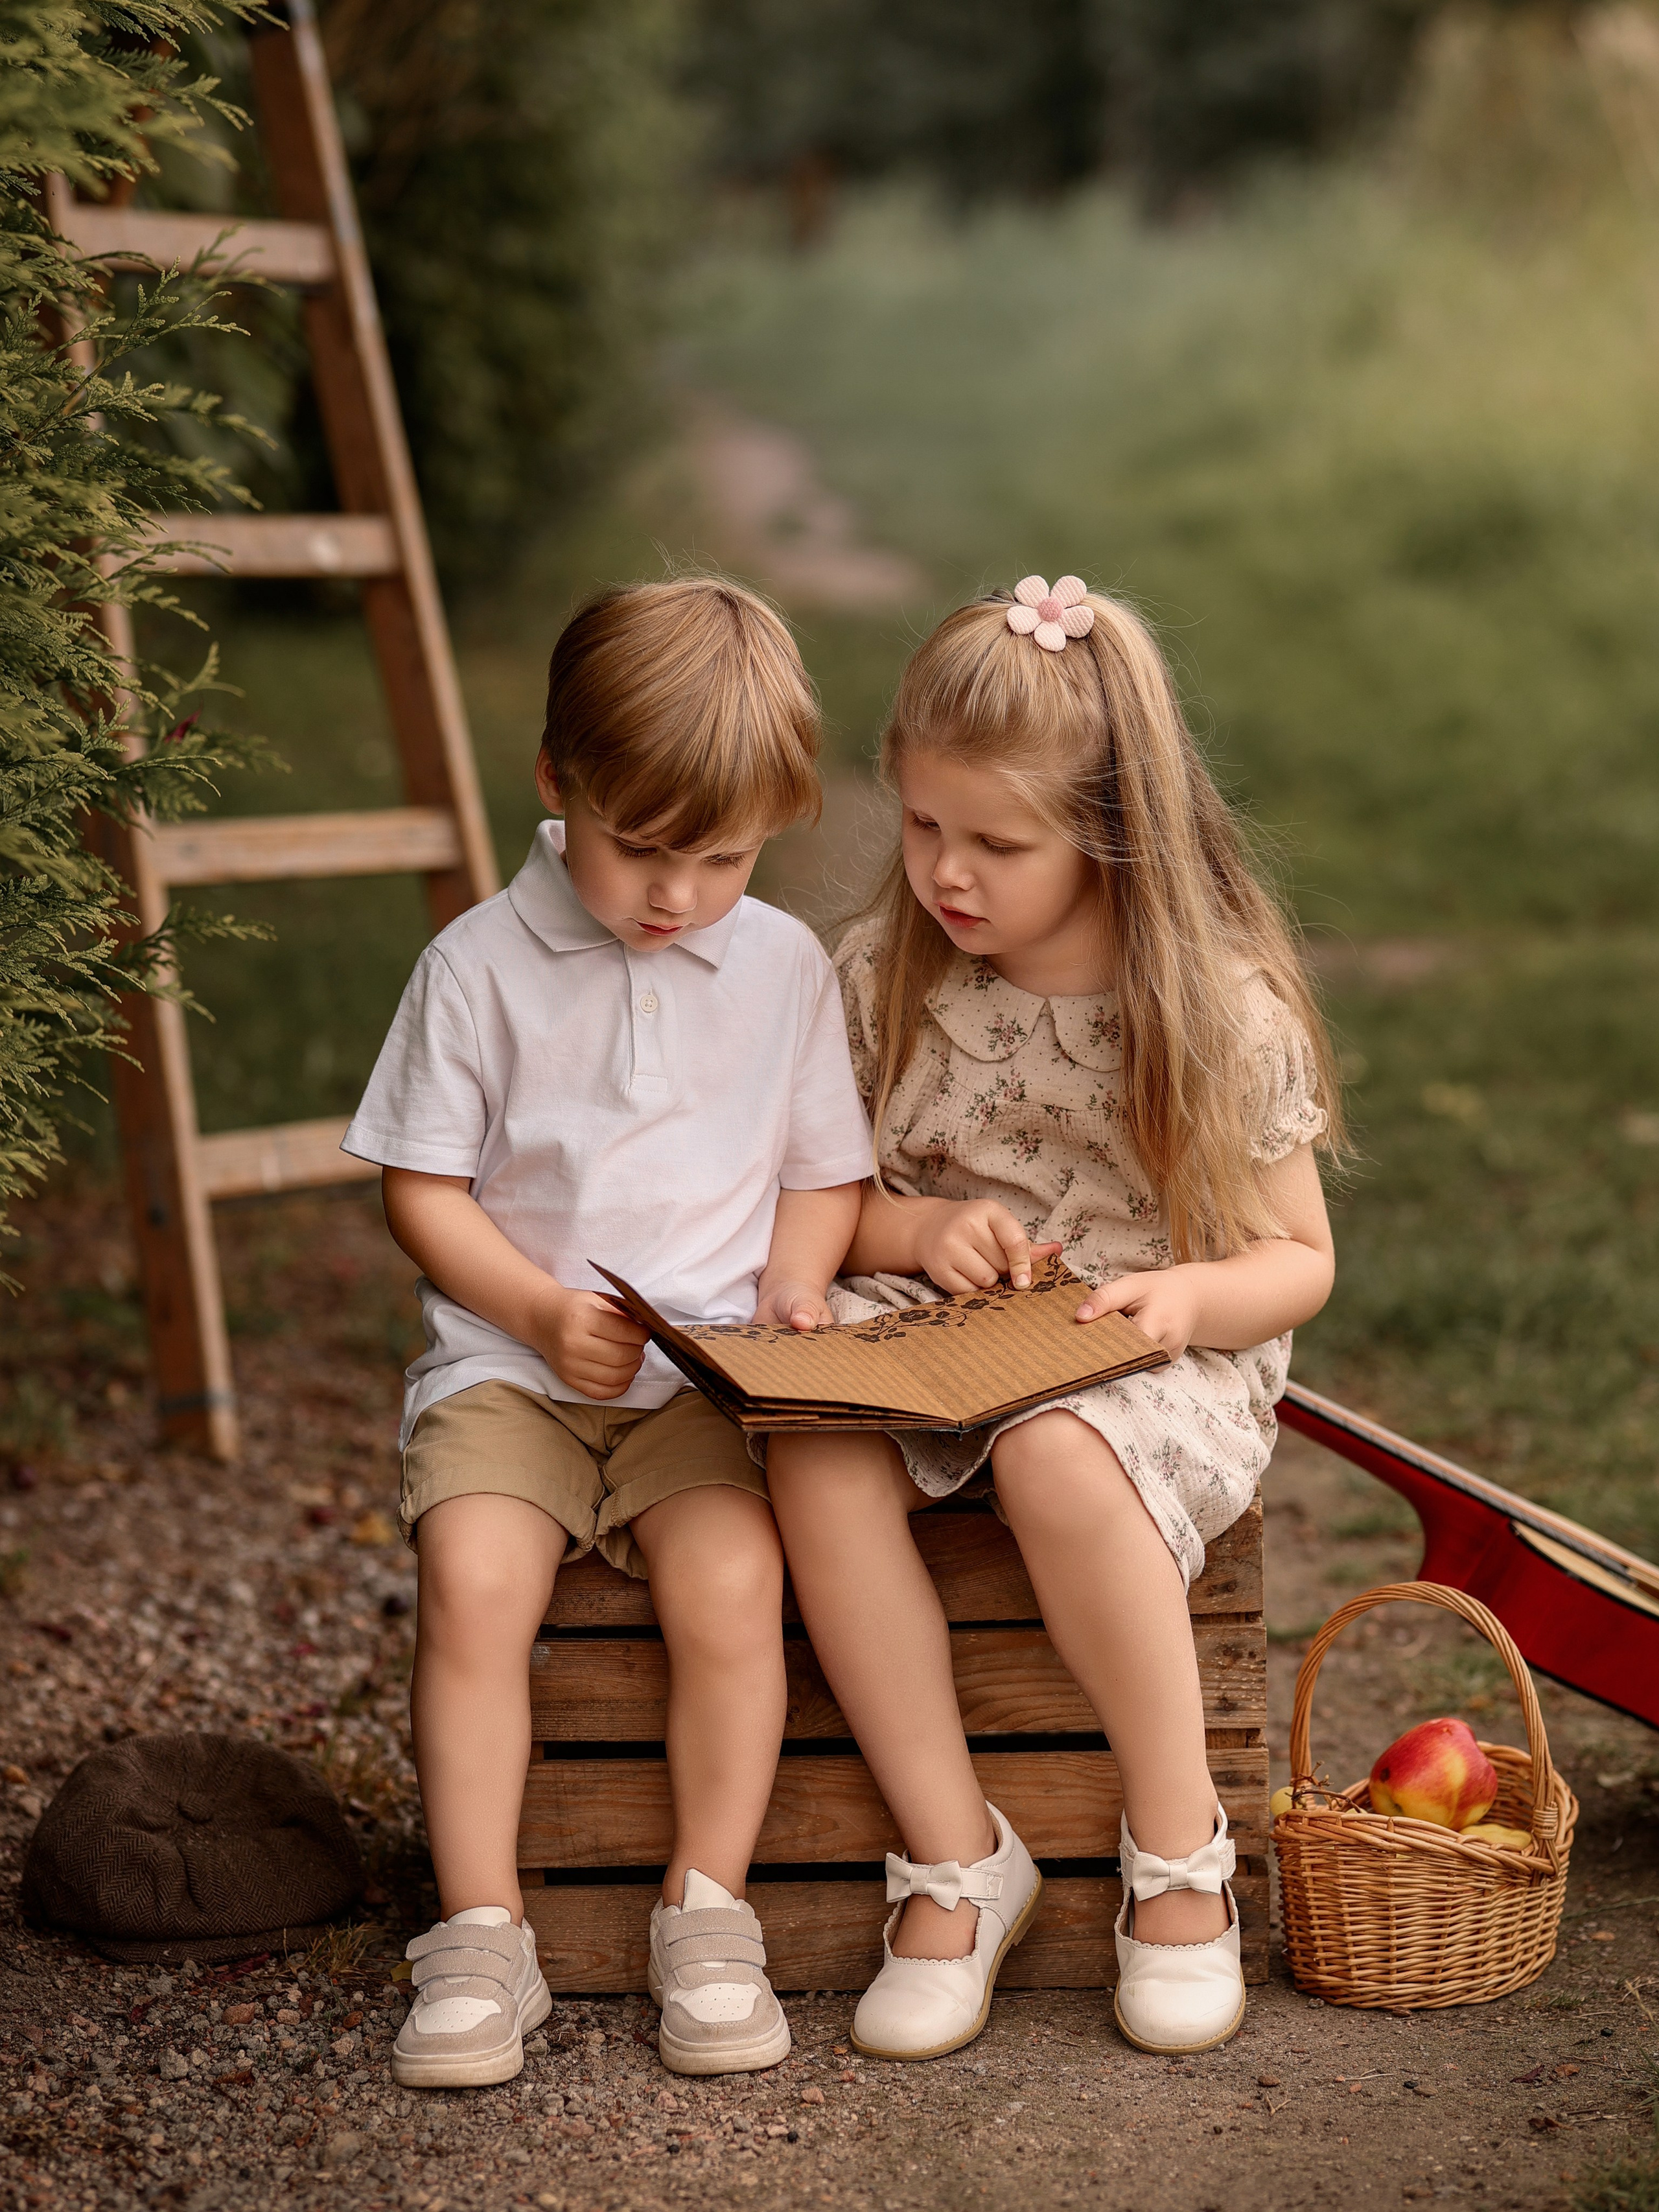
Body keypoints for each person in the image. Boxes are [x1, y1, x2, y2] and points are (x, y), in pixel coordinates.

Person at [766, 574, 1341, 2062]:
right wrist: (913, 1229)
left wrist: (1188, 1296)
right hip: (937, 1321)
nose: (946, 873)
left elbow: (1296, 1261)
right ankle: (955, 1859)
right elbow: (831, 1201)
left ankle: (1178, 1851)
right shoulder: (885, 976)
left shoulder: (1212, 1011)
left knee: (1054, 1453)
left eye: (996, 843)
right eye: (920, 825)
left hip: (1150, 1347)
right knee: (809, 1443)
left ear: (1107, 833)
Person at [342, 579, 868, 2088]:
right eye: (641, 847)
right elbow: (421, 1189)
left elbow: (820, 1172)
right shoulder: (476, 969)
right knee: (474, 1578)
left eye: (723, 857)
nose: (675, 895)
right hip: (510, 1368)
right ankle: (481, 1933)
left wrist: (793, 1287)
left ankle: (706, 1911)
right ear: (555, 784)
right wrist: (528, 1307)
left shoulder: (780, 968)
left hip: (696, 1375)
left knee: (734, 1582)